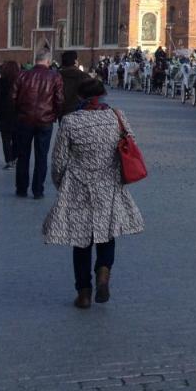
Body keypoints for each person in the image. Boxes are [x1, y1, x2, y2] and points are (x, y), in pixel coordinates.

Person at [42, 78, 144, 309]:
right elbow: (131, 145)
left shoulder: (70, 121)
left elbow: (58, 160)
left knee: (81, 241)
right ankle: (104, 272)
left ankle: (84, 293)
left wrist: (60, 183)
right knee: (107, 234)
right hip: (108, 183)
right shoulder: (116, 117)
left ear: (80, 97)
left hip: (79, 184)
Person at [12, 50, 64, 198]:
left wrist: (19, 113)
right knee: (41, 156)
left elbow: (13, 97)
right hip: (45, 121)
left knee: (23, 155)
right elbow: (59, 100)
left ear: (36, 60)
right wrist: (55, 114)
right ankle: (38, 190)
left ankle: (21, 189)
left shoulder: (22, 75)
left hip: (24, 120)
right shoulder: (55, 76)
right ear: (48, 61)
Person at [0, 60, 21, 169]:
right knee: (16, 138)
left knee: (6, 139)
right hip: (18, 113)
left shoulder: (0, 82)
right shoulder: (20, 81)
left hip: (3, 114)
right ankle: (14, 158)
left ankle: (9, 160)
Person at [59, 51, 89, 120]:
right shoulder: (83, 75)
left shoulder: (57, 75)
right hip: (79, 110)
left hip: (63, 111)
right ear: (75, 61)